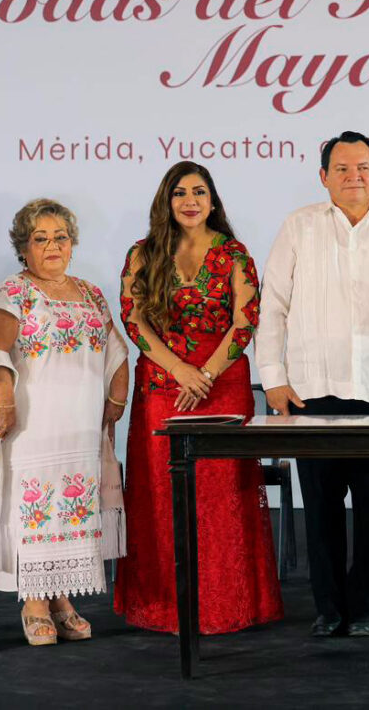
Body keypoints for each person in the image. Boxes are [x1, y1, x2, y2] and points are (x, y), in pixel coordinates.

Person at [256, 131, 369, 637]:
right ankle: (329, 609)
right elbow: (273, 306)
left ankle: (366, 609)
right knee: (319, 508)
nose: (353, 177)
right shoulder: (299, 226)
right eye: (341, 168)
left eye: (363, 168)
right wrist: (273, 378)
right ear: (323, 176)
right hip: (311, 392)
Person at [113, 161, 282, 634]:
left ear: (212, 200)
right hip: (163, 383)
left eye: (199, 192)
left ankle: (226, 605)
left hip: (221, 384)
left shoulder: (234, 254)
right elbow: (132, 318)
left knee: (222, 495)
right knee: (161, 494)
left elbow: (246, 321)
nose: (190, 201)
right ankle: (165, 607)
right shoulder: (143, 253)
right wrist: (180, 370)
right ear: (166, 201)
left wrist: (204, 373)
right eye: (180, 193)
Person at [0, 198, 130, 645]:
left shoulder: (91, 293)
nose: (52, 246)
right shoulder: (12, 292)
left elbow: (117, 351)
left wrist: (116, 399)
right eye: (40, 238)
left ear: (72, 244)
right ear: (23, 248)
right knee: (37, 511)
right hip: (33, 426)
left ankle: (62, 599)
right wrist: (4, 402)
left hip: (81, 428)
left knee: (72, 510)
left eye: (60, 237)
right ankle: (34, 602)